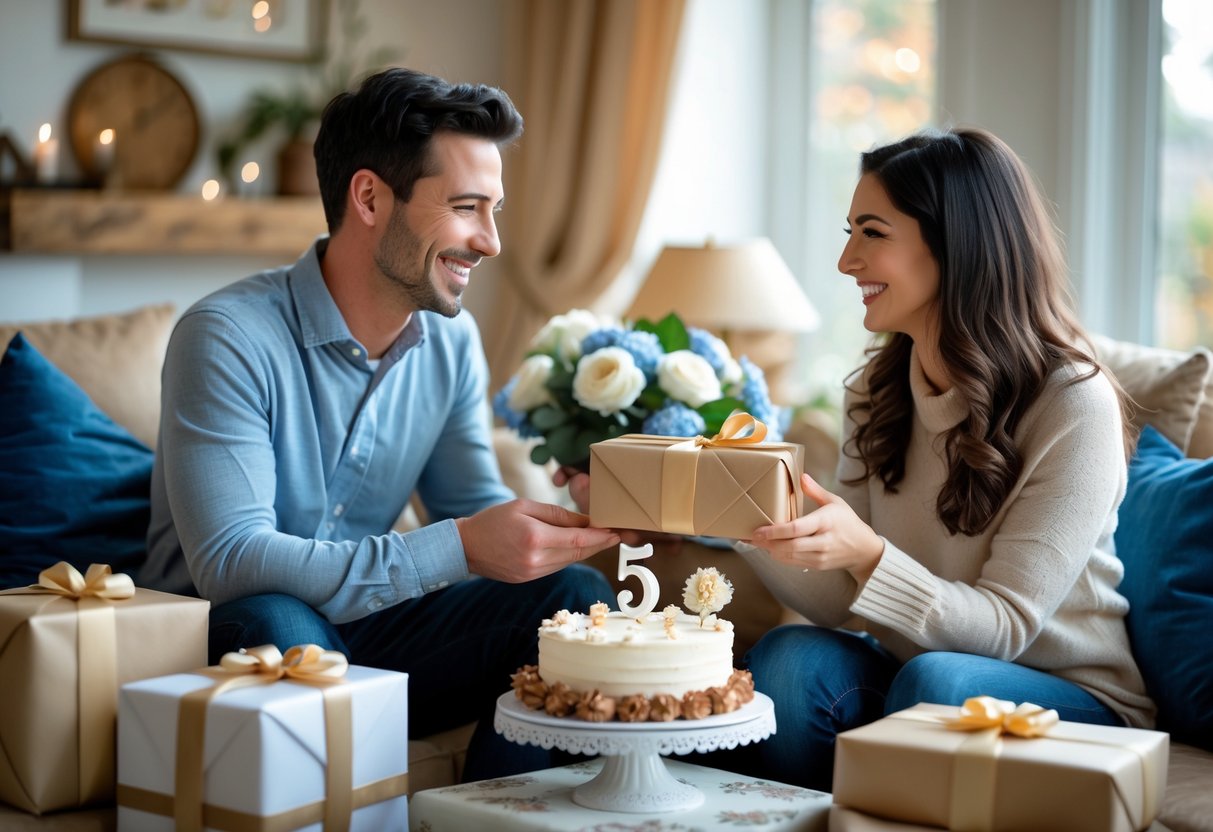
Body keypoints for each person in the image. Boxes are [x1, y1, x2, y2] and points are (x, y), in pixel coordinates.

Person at [140, 67, 621, 780]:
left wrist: (571, 516)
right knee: (285, 628)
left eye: (493, 210)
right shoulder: (226, 335)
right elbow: (231, 563)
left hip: (369, 633)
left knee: (570, 602)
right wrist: (457, 547)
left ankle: (492, 825)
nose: (489, 241)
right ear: (369, 197)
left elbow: (475, 518)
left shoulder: (450, 342)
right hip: (221, 634)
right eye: (465, 207)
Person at [725, 127, 1155, 790]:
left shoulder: (1072, 403)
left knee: (936, 681)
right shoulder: (874, 389)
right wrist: (738, 514)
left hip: (1071, 698)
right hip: (919, 673)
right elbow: (840, 606)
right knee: (788, 658)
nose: (846, 261)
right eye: (849, 231)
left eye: (871, 233)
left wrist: (866, 553)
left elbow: (1006, 627)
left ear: (954, 243)